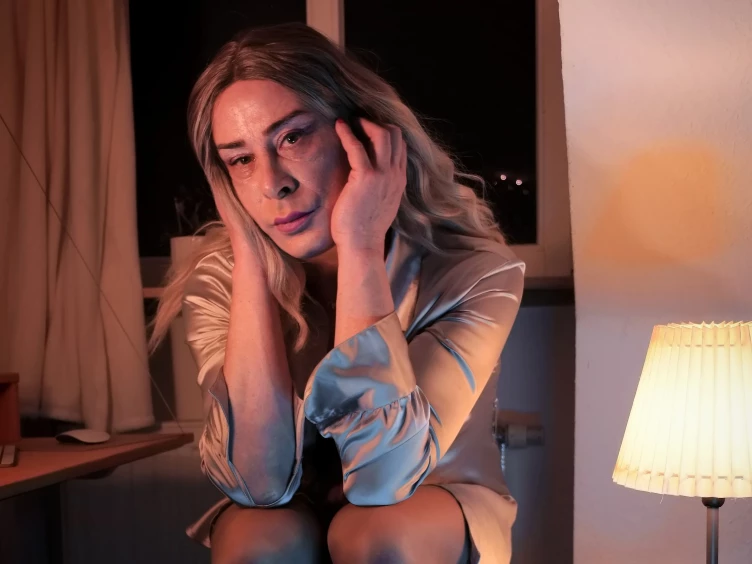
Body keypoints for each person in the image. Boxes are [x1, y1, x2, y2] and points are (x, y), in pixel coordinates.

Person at [149, 22, 525, 564]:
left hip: (432, 495)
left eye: (292, 138)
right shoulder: (218, 279)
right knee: (257, 539)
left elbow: (384, 478)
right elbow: (257, 483)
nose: (272, 183)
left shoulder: (477, 272)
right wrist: (250, 256)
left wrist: (361, 246)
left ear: (363, 134)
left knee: (371, 536)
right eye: (241, 159)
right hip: (293, 502)